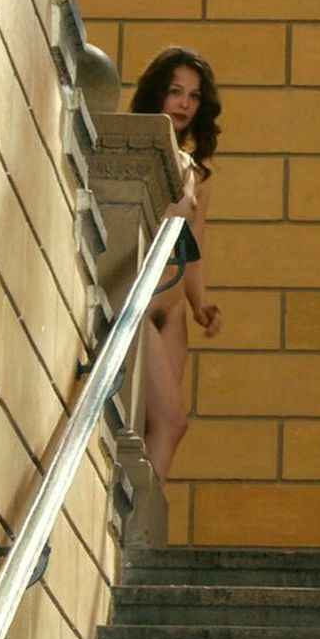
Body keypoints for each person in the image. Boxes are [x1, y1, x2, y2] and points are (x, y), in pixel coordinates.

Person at [129, 47, 223, 480]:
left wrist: (201, 303)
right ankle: (138, 518)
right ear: (157, 94)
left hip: (174, 312)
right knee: (168, 421)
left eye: (194, 96)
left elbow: (192, 249)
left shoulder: (198, 175)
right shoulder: (139, 153)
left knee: (163, 428)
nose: (184, 103)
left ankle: (146, 510)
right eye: (175, 92)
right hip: (143, 303)